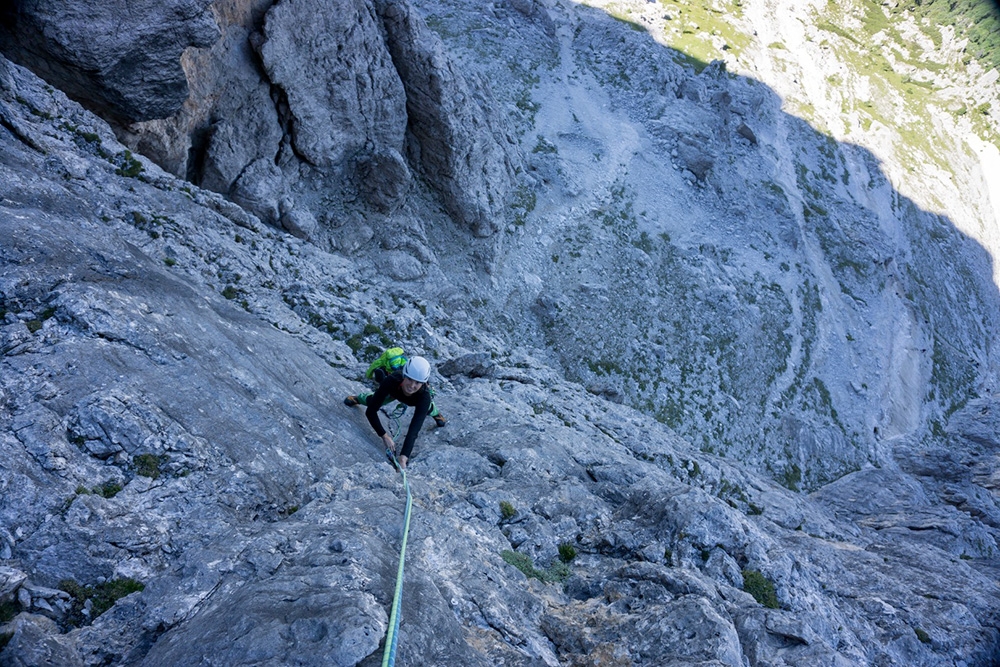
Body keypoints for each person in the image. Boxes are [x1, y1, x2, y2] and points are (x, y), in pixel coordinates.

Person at [344, 356, 444, 469]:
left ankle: (437, 415)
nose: (412, 385)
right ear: (404, 375)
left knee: (429, 408)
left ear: (423, 383)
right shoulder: (392, 380)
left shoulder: (424, 397)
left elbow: (413, 430)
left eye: (417, 382)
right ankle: (358, 398)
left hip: (414, 399)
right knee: (372, 401)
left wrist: (403, 457)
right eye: (410, 379)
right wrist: (385, 436)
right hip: (395, 391)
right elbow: (371, 411)